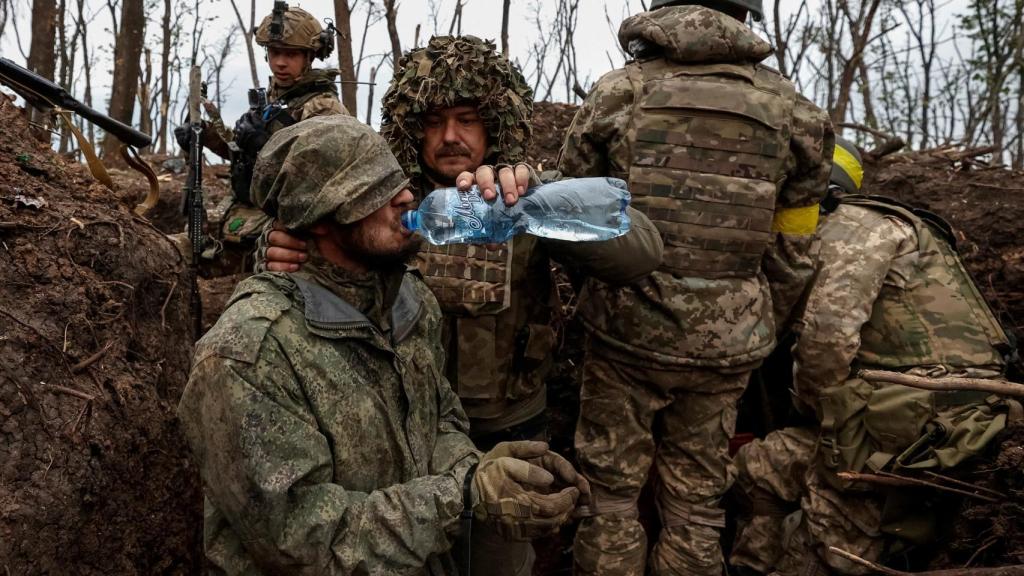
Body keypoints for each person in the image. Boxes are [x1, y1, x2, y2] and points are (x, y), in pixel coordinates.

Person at [261, 35, 664, 576]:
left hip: (508, 428)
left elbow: (641, 251)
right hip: (405, 439)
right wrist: (277, 246)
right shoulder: (378, 209)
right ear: (409, 126)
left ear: (495, 122)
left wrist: (537, 198)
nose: (450, 137)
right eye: (432, 122)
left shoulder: (520, 196)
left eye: (468, 118)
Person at [177, 115, 590, 575]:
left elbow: (439, 420)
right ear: (317, 219)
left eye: (396, 181)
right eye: (372, 191)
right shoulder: (248, 356)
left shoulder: (408, 300)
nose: (406, 196)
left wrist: (481, 472)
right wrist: (463, 496)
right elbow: (300, 541)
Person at [554, 1, 835, 573]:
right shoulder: (794, 111)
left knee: (607, 496)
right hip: (728, 348)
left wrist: (604, 295)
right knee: (697, 502)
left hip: (624, 335)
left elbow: (574, 219)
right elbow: (793, 250)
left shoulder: (620, 92)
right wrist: (756, 320)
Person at [729, 137, 1019, 575]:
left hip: (911, 417)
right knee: (756, 468)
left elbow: (826, 341)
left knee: (825, 549)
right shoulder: (881, 225)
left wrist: (812, 407)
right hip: (915, 408)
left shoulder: (853, 230)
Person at [182, 2, 349, 273]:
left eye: (291, 54)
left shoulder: (323, 107)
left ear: (309, 56)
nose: (280, 62)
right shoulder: (271, 99)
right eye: (274, 52)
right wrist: (206, 138)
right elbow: (240, 153)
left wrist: (268, 148)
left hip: (290, 225)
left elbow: (329, 180)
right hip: (249, 207)